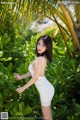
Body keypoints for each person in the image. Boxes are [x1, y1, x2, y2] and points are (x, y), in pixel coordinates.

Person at [14, 35, 55, 120]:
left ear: (47, 47)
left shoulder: (40, 59)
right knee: (46, 116)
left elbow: (35, 77)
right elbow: (32, 73)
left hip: (45, 90)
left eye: (43, 45)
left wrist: (23, 88)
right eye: (39, 44)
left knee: (47, 117)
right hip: (46, 89)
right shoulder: (40, 57)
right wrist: (21, 77)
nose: (39, 47)